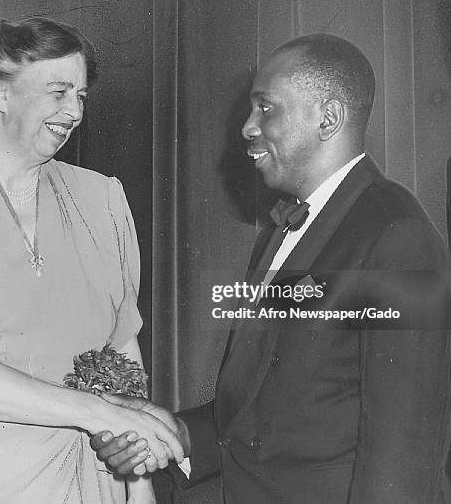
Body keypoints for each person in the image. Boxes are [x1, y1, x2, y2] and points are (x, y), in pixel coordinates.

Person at [91, 33, 451, 502]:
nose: (247, 127)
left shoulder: (397, 235)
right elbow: (267, 409)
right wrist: (176, 435)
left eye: (266, 108)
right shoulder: (278, 234)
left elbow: (405, 454)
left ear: (329, 118)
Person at [0, 16, 184, 503]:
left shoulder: (103, 199)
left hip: (93, 477)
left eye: (81, 96)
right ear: (1, 94)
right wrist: (98, 412)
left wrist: (138, 482)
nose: (74, 112)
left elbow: (121, 358)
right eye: (59, 92)